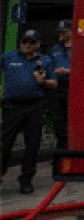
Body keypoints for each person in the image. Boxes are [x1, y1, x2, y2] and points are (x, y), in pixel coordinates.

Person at [1, 29, 57, 194]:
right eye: (24, 42)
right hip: (12, 106)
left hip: (35, 105)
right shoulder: (8, 57)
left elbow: (54, 83)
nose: (27, 45)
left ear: (38, 44)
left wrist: (43, 81)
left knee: (32, 144)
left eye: (31, 42)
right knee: (4, 143)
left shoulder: (44, 61)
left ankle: (26, 180)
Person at [49, 20, 73, 149]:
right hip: (57, 88)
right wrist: (54, 71)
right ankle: (61, 150)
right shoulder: (55, 48)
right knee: (59, 121)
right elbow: (48, 67)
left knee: (72, 119)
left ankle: (70, 149)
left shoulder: (79, 47)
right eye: (59, 31)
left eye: (64, 31)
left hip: (74, 89)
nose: (61, 33)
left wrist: (68, 71)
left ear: (71, 31)